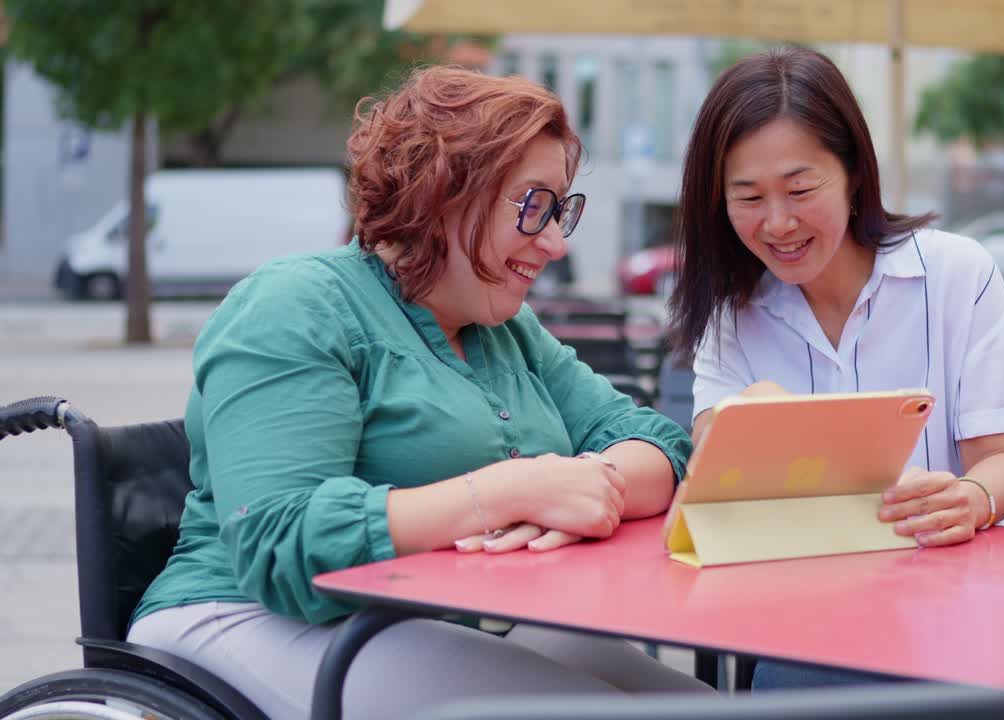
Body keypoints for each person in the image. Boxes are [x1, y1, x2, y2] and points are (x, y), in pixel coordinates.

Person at [127, 66, 709, 719]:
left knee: (706, 708)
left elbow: (661, 446)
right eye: (533, 205)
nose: (552, 242)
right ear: (444, 193)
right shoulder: (295, 304)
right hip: (243, 616)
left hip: (428, 618)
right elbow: (278, 539)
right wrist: (507, 493)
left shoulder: (506, 330)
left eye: (560, 209)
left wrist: (579, 485)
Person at [666, 46, 1004, 690]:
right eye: (748, 197)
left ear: (855, 175)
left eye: (801, 189)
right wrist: (743, 431)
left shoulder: (957, 275)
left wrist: (973, 499)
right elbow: (711, 481)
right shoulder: (733, 316)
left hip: (956, 620)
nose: (778, 223)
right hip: (803, 630)